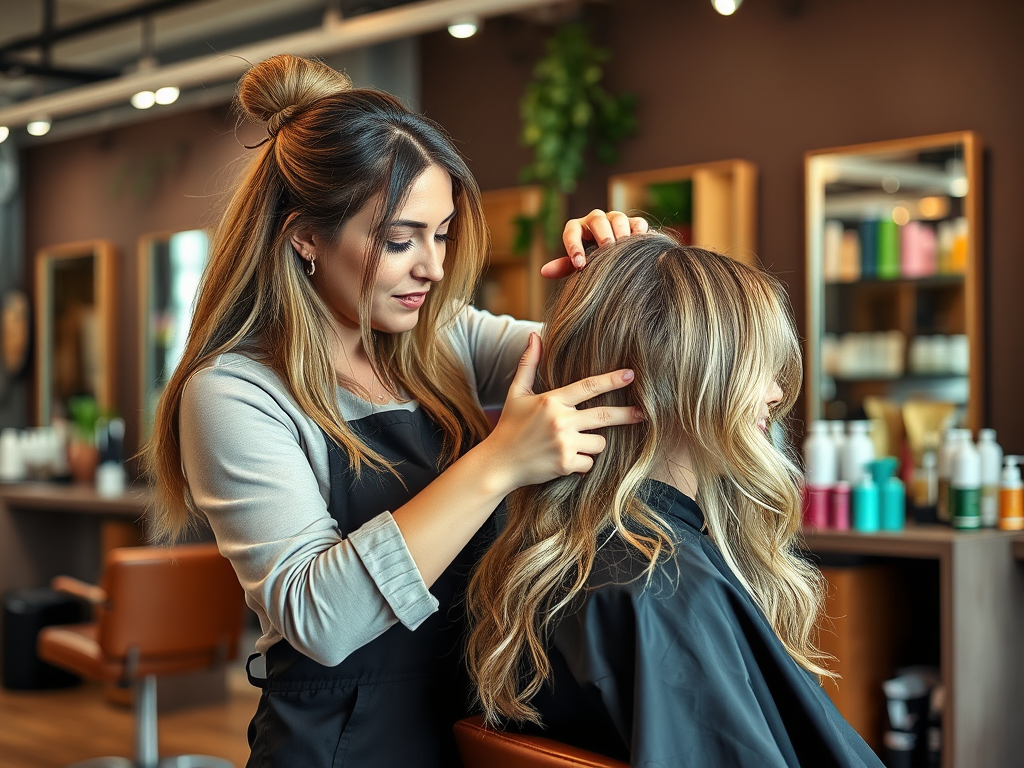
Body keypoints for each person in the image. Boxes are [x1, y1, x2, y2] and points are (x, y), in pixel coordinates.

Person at [143, 54, 647, 768]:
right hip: (343, 745)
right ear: (305, 236)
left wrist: (623, 274)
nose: (434, 268)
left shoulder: (447, 342)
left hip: (478, 727)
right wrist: (498, 462)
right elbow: (317, 616)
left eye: (440, 234)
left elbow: (619, 374)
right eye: (400, 240)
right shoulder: (235, 392)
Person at [466, 233, 885, 768]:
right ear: (682, 378)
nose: (776, 394)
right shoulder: (660, 586)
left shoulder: (570, 554)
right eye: (754, 366)